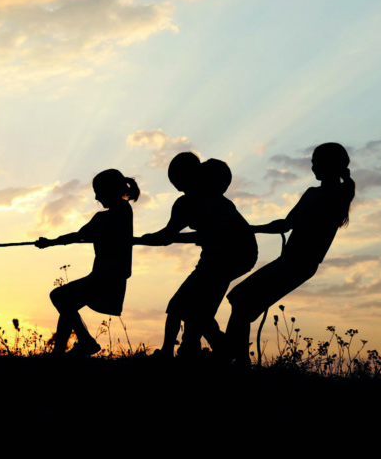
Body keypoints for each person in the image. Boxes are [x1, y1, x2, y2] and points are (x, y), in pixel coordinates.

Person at [221, 142, 356, 366]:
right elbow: (286, 224)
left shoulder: (331, 195)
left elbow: (289, 224)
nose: (312, 168)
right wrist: (251, 229)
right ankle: (235, 359)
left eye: (316, 163)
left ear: (329, 164)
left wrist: (250, 229)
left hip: (298, 262)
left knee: (241, 301)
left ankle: (232, 359)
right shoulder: (325, 193)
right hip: (294, 261)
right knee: (240, 301)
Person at [136, 154, 257, 360]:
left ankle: (179, 351)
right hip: (214, 257)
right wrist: (143, 240)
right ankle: (206, 349)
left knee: (184, 306)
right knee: (193, 310)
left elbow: (172, 236)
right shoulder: (185, 204)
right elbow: (168, 234)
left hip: (233, 256)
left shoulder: (218, 204)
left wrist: (144, 240)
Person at [35, 169, 138, 356]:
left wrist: (94, 233)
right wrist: (51, 242)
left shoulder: (123, 209)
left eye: (99, 191)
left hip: (110, 276)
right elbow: (78, 235)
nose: (97, 197)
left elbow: (101, 231)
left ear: (111, 189)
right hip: (99, 275)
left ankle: (65, 351)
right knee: (59, 296)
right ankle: (80, 343)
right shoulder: (101, 218)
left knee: (64, 299)